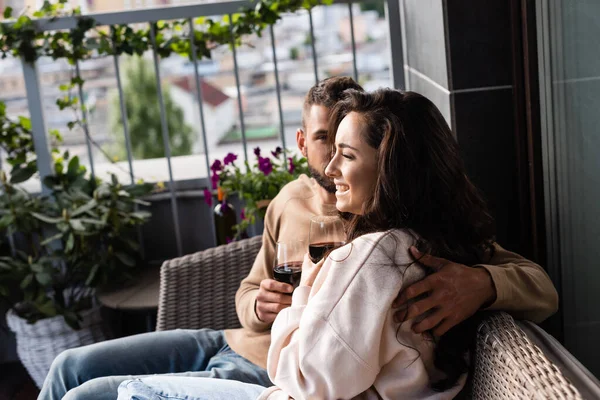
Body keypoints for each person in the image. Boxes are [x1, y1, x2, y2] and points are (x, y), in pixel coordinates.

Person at [39, 78, 557, 400]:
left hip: (275, 374)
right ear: (302, 141)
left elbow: (538, 285)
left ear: (391, 163)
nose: (332, 162)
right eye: (324, 141)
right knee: (69, 367)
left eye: (346, 147)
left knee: (98, 394)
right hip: (231, 342)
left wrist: (483, 285)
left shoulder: (401, 243)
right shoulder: (290, 200)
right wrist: (259, 306)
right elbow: (247, 292)